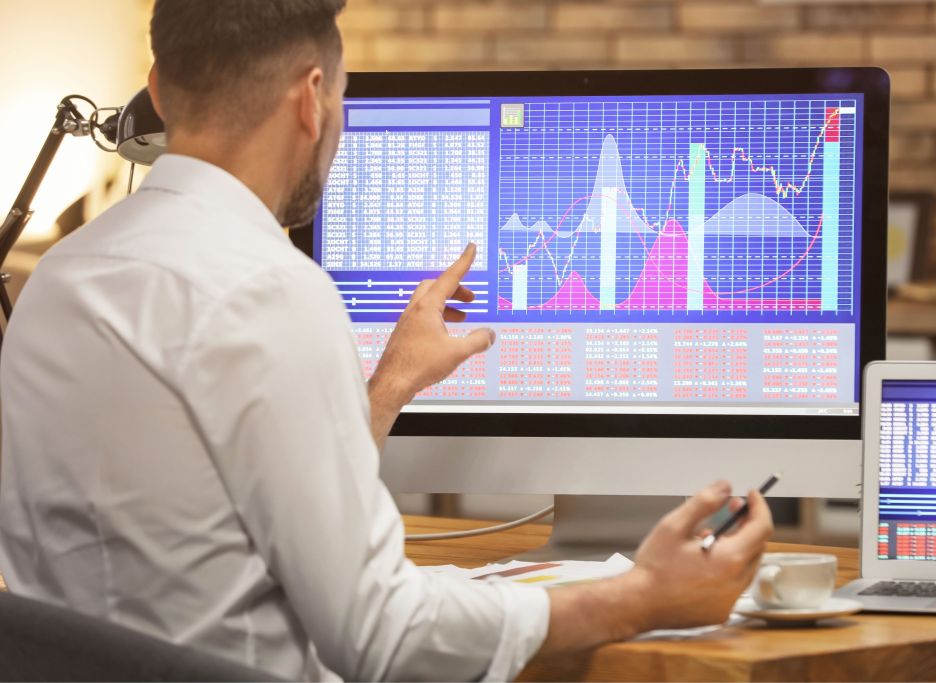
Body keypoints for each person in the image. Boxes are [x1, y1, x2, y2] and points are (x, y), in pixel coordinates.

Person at [0, 1, 773, 680]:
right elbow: (381, 634)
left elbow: (216, 503)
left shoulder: (58, 280)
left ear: (159, 91)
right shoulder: (270, 289)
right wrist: (641, 596)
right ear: (312, 98)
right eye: (341, 94)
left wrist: (391, 382)